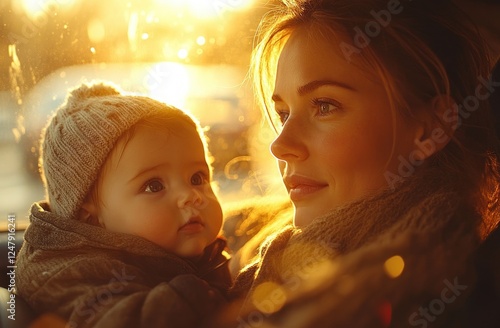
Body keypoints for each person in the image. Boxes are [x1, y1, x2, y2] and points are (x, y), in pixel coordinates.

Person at [221, 0, 500, 327]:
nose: (280, 145)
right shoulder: (232, 247)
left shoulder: (438, 301)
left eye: (324, 106)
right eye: (283, 114)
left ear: (429, 130)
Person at [16, 82, 231, 327]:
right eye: (154, 186)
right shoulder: (70, 272)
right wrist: (197, 295)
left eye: (197, 178)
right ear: (89, 214)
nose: (192, 196)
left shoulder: (179, 246)